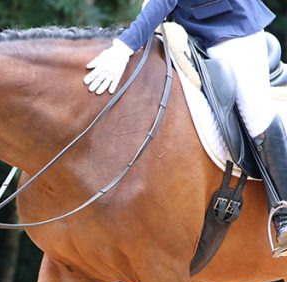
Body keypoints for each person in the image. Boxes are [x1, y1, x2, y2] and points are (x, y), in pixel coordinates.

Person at [83, 0, 287, 255]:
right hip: (185, 27)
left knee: (256, 114)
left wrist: (122, 48)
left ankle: (284, 212)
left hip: (231, 27)